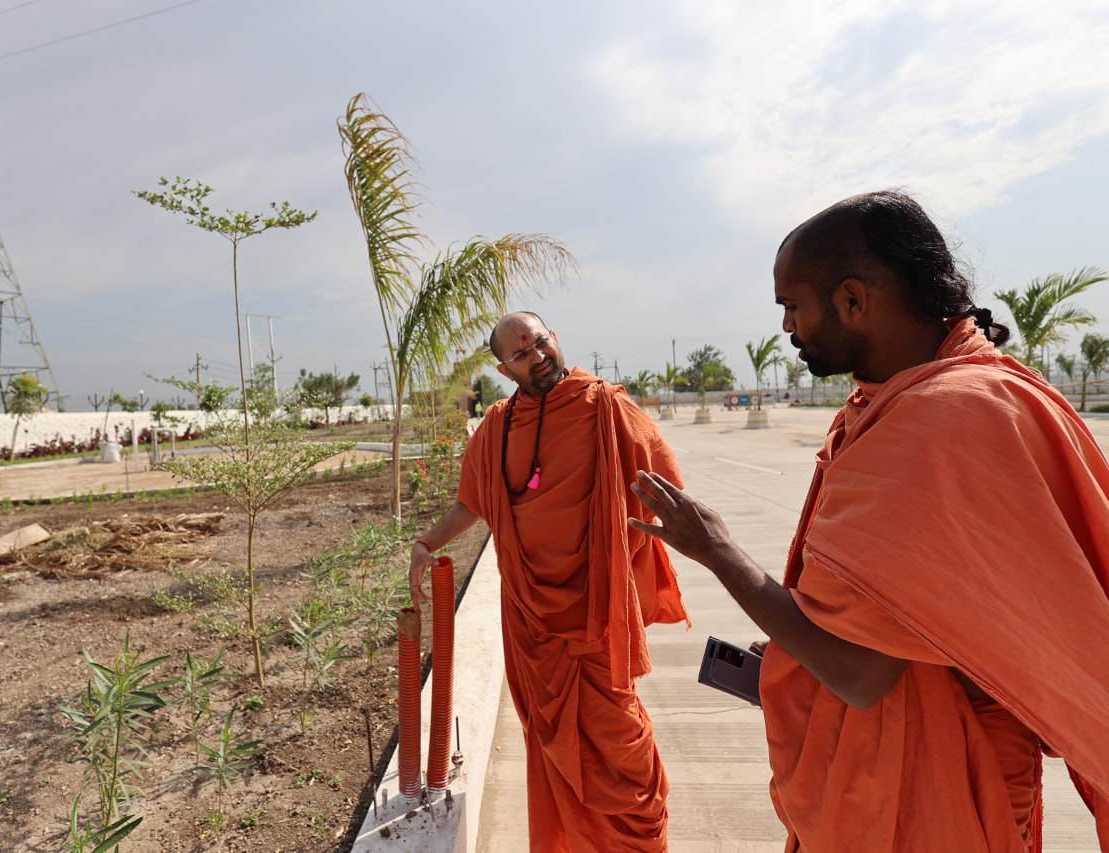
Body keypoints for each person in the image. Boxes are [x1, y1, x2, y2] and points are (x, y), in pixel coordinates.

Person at [632, 190, 1109, 852]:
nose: (787, 328)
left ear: (854, 301)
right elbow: (902, 612)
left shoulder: (938, 420)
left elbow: (859, 673)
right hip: (899, 766)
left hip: (930, 790)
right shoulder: (924, 398)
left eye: (792, 306)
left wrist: (715, 549)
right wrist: (803, 638)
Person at [410, 310, 689, 852]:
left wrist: (648, 554)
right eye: (521, 353)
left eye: (539, 342)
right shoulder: (496, 428)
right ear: (503, 368)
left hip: (596, 614)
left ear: (555, 338)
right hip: (533, 622)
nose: (536, 355)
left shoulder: (608, 407)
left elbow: (668, 492)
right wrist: (426, 543)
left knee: (621, 747)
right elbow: (473, 503)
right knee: (554, 749)